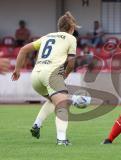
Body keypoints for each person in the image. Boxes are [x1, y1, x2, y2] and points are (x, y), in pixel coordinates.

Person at [11, 11, 91, 146]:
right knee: (62, 105)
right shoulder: (71, 38)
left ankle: (37, 124)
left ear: (59, 26)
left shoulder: (47, 36)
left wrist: (17, 70)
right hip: (52, 74)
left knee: (54, 100)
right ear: (71, 28)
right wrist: (65, 74)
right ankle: (62, 139)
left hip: (36, 76)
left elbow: (23, 49)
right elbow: (71, 63)